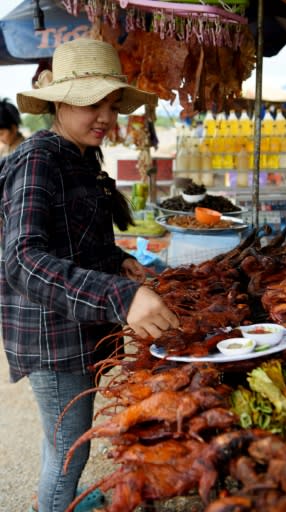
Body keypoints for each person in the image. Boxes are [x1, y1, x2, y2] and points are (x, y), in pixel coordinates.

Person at [0, 38, 179, 512]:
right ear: (59, 102)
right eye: (89, 103)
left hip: (79, 328)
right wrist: (121, 296)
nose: (104, 116)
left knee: (65, 434)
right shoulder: (38, 159)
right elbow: (21, 260)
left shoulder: (79, 156)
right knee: (67, 451)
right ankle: (56, 503)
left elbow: (74, 241)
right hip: (53, 337)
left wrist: (114, 261)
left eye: (111, 104)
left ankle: (58, 497)